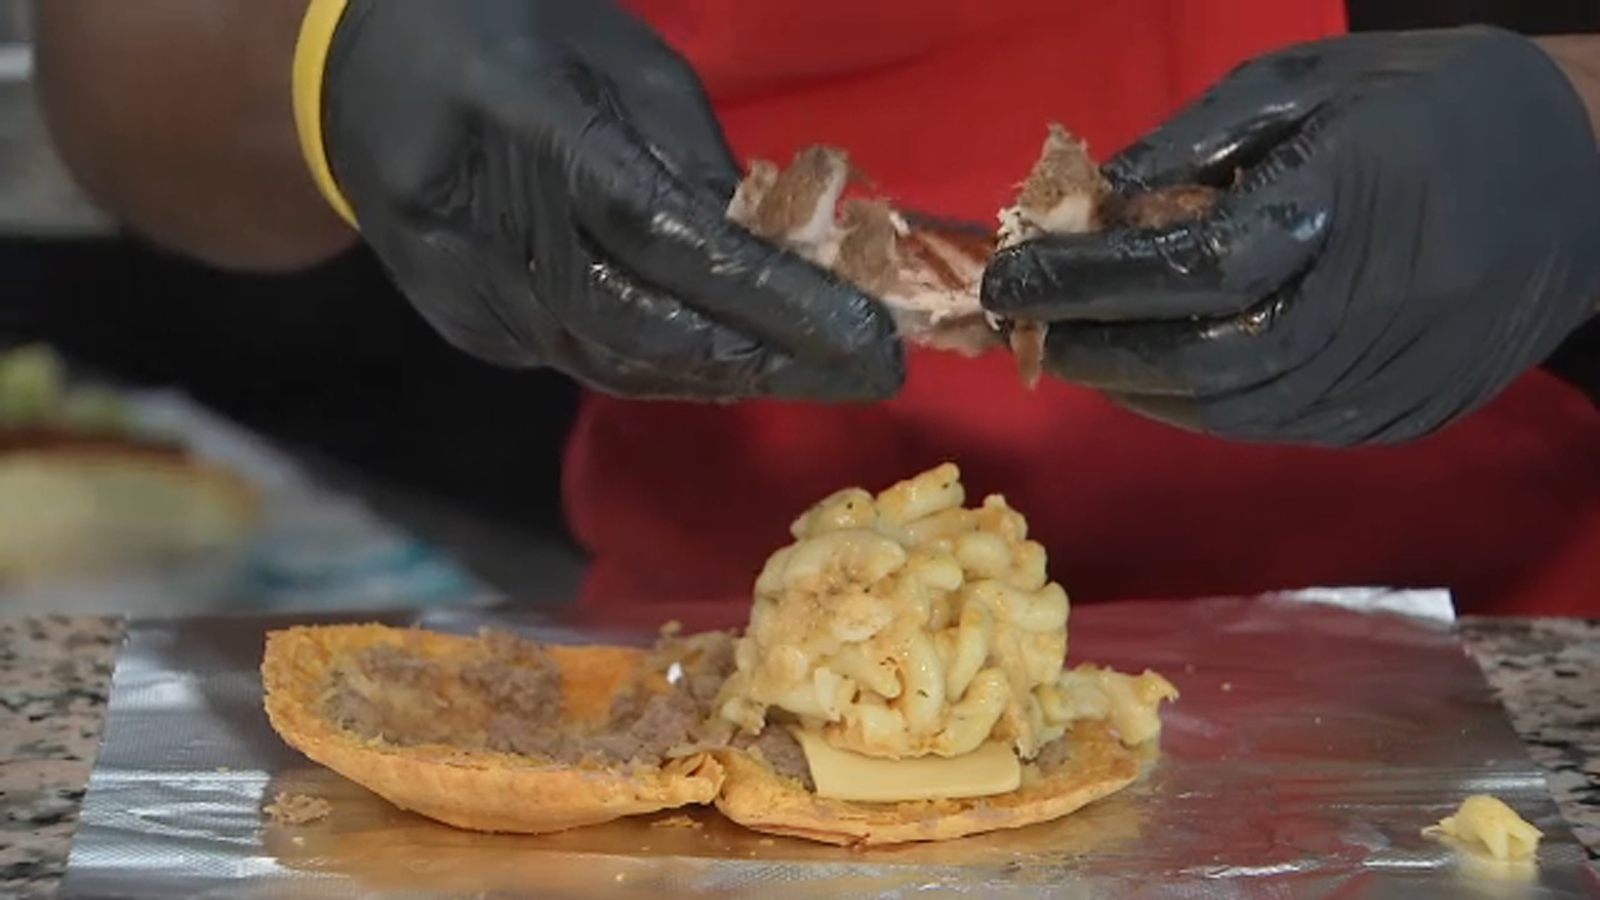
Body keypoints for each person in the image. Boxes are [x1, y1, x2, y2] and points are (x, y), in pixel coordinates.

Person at [31, 0, 1600, 617]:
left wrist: (1578, 144)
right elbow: (129, 68)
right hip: (723, 691)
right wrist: (334, 67)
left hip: (1510, 688)